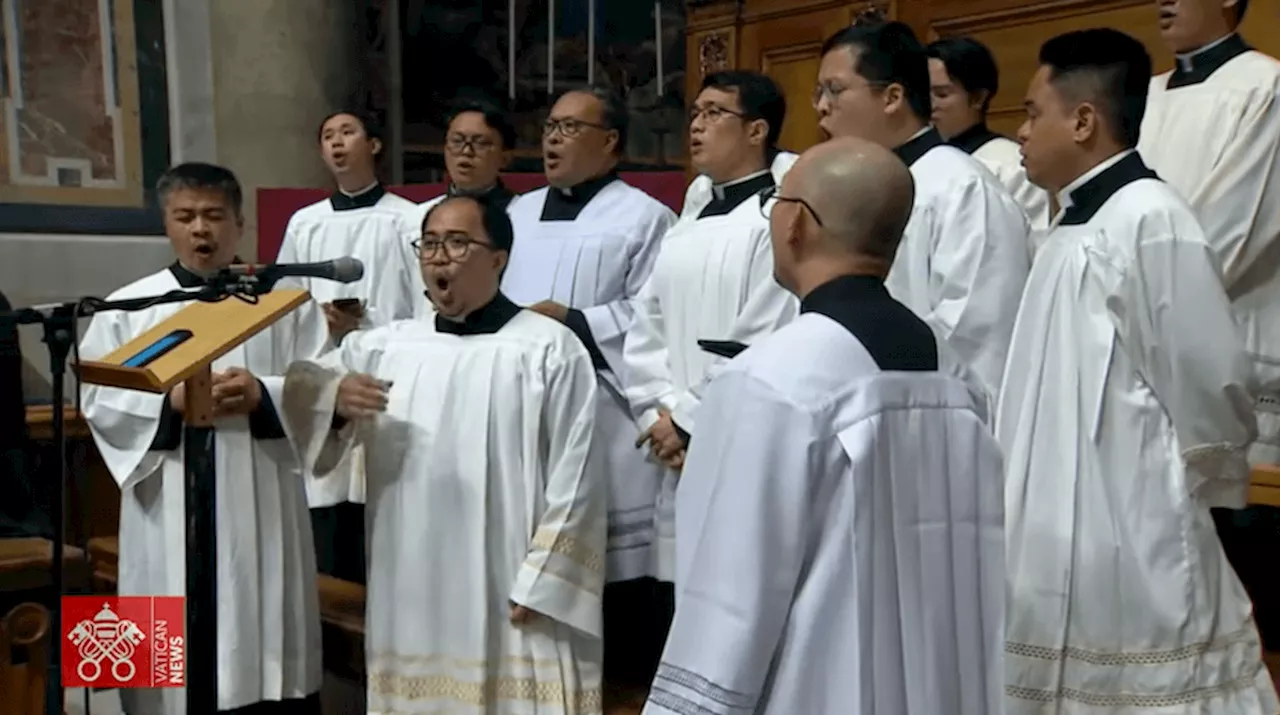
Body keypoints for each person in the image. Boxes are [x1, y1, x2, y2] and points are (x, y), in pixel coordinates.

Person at [643, 136, 1005, 715]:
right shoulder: (953, 373)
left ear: (796, 226)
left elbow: (730, 590)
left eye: (775, 204)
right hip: (941, 684)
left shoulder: (770, 378)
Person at [1000, 28, 1277, 713]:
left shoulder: (1152, 219)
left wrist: (1177, 485)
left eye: (1033, 112)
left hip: (1134, 507)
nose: (1021, 132)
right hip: (1056, 510)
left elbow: (1212, 380)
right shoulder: (1065, 229)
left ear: (1085, 120)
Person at [279, 195, 605, 714]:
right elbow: (305, 403)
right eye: (429, 244)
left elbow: (580, 471)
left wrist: (548, 579)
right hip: (411, 579)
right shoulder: (384, 348)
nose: (438, 257)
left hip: (512, 581)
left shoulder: (548, 348)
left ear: (498, 258)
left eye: (457, 242)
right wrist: (334, 404)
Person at [79, 162, 327, 715]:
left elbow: (323, 382)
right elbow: (96, 400)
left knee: (264, 650)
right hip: (165, 498)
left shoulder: (281, 302)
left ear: (240, 224)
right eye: (185, 216)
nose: (201, 230)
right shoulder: (127, 307)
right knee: (162, 661)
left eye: (214, 216)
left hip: (258, 489)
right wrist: (164, 404)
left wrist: (265, 394)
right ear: (166, 224)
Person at [502, 86, 675, 699]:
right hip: (524, 409)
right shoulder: (515, 215)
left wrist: (576, 320)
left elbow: (657, 316)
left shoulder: (645, 218)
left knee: (612, 578)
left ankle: (620, 692)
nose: (553, 138)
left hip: (604, 414)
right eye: (550, 125)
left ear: (610, 143)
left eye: (571, 128)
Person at [1138, 0, 1280, 651]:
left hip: (1229, 339)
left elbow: (1231, 228)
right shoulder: (1140, 96)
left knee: (1239, 574)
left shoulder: (1265, 87)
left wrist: (1125, 289)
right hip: (1138, 349)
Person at [624, 70, 798, 574]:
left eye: (714, 113)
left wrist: (688, 420)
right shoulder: (689, 216)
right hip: (674, 443)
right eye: (695, 113)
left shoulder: (779, 216)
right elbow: (646, 323)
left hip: (738, 436)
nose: (697, 125)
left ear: (757, 130)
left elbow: (765, 330)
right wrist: (657, 415)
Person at [816, 20, 1030, 403]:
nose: (821, 108)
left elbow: (976, 338)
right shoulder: (849, 188)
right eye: (819, 92)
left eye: (835, 90)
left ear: (892, 97)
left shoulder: (959, 188)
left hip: (927, 420)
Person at [277, 109, 421, 585]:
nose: (337, 143)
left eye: (348, 132)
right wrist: (319, 321)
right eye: (327, 137)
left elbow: (425, 301)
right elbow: (285, 302)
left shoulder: (408, 219)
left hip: (389, 377)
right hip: (322, 376)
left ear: (374, 144)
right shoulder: (306, 224)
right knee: (328, 504)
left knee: (380, 504)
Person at [927, 36, 1052, 234]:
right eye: (923, 94)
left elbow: (1030, 245)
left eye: (942, 94)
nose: (930, 105)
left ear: (978, 98)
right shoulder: (919, 164)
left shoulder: (1013, 165)